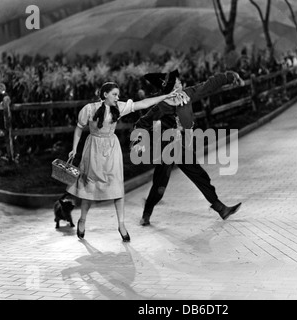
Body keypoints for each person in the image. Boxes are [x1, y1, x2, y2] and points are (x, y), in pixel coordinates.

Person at [66, 82, 182, 242]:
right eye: (114, 94)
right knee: (89, 189)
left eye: (118, 94)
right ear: (105, 94)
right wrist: (74, 149)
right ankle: (83, 220)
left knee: (117, 187)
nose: (117, 97)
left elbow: (143, 103)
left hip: (112, 149)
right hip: (93, 149)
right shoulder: (89, 109)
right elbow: (79, 128)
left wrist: (166, 96)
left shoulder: (119, 107)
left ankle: (121, 225)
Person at [132, 69, 244, 226]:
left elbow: (208, 85)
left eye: (179, 81)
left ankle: (221, 208)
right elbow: (142, 123)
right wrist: (138, 143)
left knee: (199, 174)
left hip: (179, 145)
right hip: (165, 147)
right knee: (160, 185)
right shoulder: (162, 106)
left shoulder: (187, 94)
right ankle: (147, 213)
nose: (180, 83)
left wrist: (229, 77)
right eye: (176, 83)